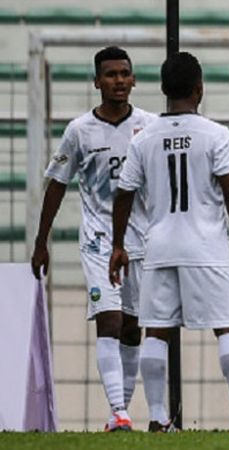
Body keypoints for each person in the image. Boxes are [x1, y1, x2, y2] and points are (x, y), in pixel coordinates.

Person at [108, 51, 229, 433]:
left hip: (159, 247)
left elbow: (124, 194)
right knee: (228, 327)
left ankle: (158, 419)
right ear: (200, 89)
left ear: (163, 90)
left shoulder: (143, 138)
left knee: (156, 331)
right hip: (207, 248)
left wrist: (118, 245)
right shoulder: (215, 134)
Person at [30, 46, 155, 432]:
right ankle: (118, 411)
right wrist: (41, 239)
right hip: (99, 239)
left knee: (134, 327)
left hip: (143, 239)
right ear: (97, 82)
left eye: (125, 74)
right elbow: (57, 185)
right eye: (111, 74)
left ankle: (121, 411)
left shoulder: (150, 125)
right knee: (110, 319)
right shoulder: (79, 130)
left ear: (134, 80)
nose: (119, 81)